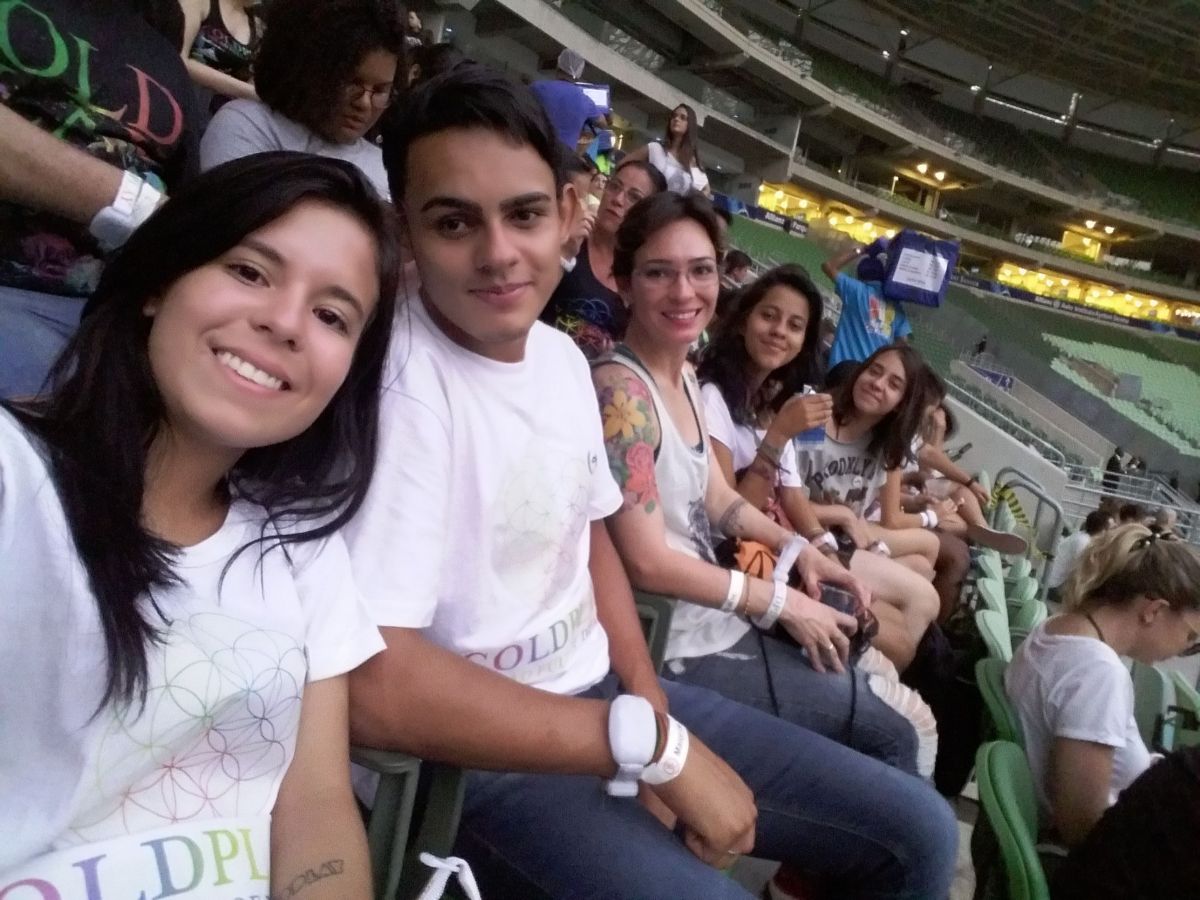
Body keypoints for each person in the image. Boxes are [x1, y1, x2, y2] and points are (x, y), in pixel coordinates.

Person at [345, 64, 958, 900]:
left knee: (920, 831)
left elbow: (592, 540)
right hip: (474, 762)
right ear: (405, 231)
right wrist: (650, 748)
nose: (498, 254)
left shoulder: (561, 360)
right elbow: (376, 686)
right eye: (454, 222)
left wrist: (648, 716)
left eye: (524, 214)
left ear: (568, 212)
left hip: (607, 696)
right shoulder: (399, 387)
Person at [0, 153, 400, 897]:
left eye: (331, 316)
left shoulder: (303, 549)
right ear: (161, 282)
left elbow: (314, 804)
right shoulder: (14, 478)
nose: (284, 322)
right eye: (250, 272)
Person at [694, 264, 943, 681]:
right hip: (741, 561)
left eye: (795, 326)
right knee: (896, 638)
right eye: (769, 316)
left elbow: (792, 496)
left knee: (898, 620)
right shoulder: (713, 399)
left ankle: (857, 687)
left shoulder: (773, 404)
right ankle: (848, 692)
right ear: (742, 321)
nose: (779, 332)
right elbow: (729, 517)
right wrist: (778, 437)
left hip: (786, 548)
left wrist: (825, 553)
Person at [0, 0, 202, 399]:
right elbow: (172, 218)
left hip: (113, 315)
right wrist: (136, 205)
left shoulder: (162, 51)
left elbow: (190, 207)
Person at [1006, 524, 1200, 847]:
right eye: (1190, 637)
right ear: (1154, 610)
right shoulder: (1098, 674)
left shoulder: (1056, 628)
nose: (1184, 649)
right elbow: (1082, 828)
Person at [793, 345, 944, 664]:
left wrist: (864, 531)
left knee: (921, 569)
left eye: (894, 384)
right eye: (874, 371)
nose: (878, 383)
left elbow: (862, 511)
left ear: (902, 404)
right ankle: (869, 673)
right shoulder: (815, 416)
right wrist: (841, 514)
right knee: (925, 599)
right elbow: (781, 499)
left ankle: (869, 668)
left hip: (843, 543)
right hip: (803, 540)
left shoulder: (883, 446)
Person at [199, 0, 403, 199]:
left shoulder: (387, 167)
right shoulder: (246, 125)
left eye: (380, 90)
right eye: (352, 83)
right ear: (307, 68)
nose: (364, 103)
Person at [540, 157, 667, 358]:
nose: (618, 199)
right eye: (614, 186)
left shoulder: (642, 277)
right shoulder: (567, 236)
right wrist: (564, 254)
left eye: (634, 197)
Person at [820, 238, 911, 369]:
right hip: (872, 372)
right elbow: (903, 344)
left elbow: (828, 266)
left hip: (842, 369)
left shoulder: (855, 290)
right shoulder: (897, 307)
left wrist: (861, 250)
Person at [178, 0, 259, 112]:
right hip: (178, 92)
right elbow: (180, 59)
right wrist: (248, 91)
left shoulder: (256, 23)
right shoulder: (199, 3)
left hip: (212, 109)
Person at [623, 104, 710, 196]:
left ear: (690, 125)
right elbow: (624, 165)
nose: (676, 119)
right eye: (674, 116)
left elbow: (706, 190)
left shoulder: (692, 161)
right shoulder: (655, 149)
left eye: (683, 118)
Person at [1045, 510, 1113, 602]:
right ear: (1102, 530)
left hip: (1051, 577)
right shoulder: (1083, 543)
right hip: (1052, 584)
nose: (1115, 532)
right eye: (1112, 528)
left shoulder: (1083, 535)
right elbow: (1084, 573)